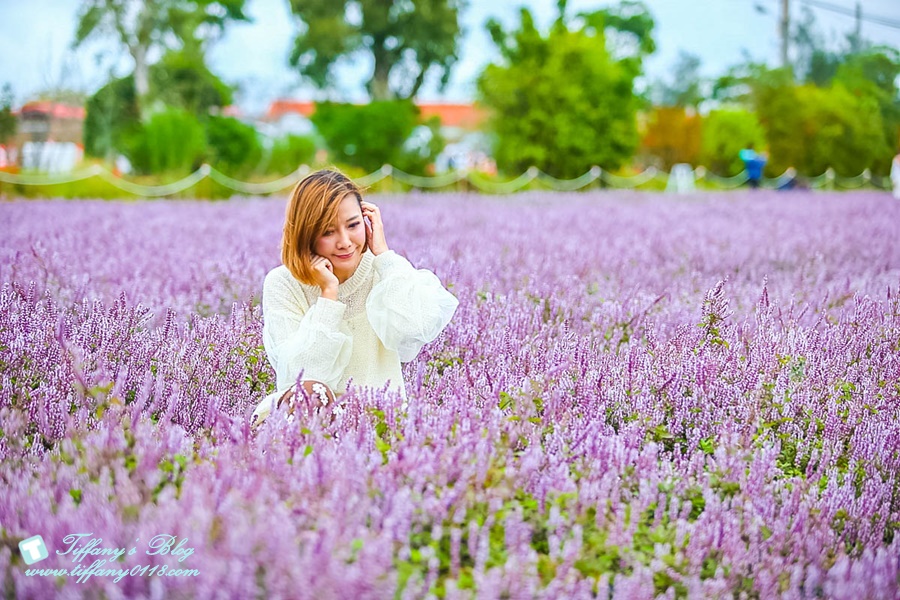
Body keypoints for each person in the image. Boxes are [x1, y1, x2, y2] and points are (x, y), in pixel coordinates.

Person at [251, 168, 459, 426]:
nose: (345, 242)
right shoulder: (283, 283)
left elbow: (413, 330)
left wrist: (383, 254)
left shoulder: (385, 272)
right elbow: (299, 378)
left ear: (367, 220)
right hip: (307, 427)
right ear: (306, 234)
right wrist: (329, 295)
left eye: (353, 225)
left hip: (380, 421)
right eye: (328, 232)